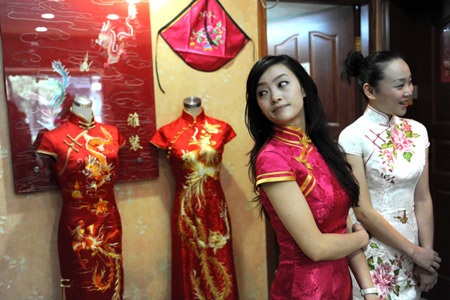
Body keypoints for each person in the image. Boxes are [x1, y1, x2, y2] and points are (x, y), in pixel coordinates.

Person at [245, 54, 378, 299]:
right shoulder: (272, 158)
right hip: (305, 291)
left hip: (341, 287)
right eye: (262, 93)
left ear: (304, 88)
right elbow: (315, 247)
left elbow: (343, 225)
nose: (274, 96)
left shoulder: (322, 148)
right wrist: (362, 237)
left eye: (282, 84)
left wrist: (369, 291)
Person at [339, 50, 441, 299]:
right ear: (370, 91)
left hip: (413, 246)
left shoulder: (417, 132)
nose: (409, 91)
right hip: (372, 251)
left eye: (409, 82)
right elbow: (362, 210)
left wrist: (424, 256)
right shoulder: (352, 137)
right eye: (399, 85)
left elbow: (423, 198)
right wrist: (414, 251)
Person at [149, 97, 239, 300]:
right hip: (185, 209)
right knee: (188, 264)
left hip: (216, 206)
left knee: (219, 260)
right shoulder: (167, 132)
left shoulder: (221, 128)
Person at [37, 96, 125, 300]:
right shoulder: (54, 138)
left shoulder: (111, 133)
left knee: (113, 271)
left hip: (109, 219)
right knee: (81, 278)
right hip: (77, 223)